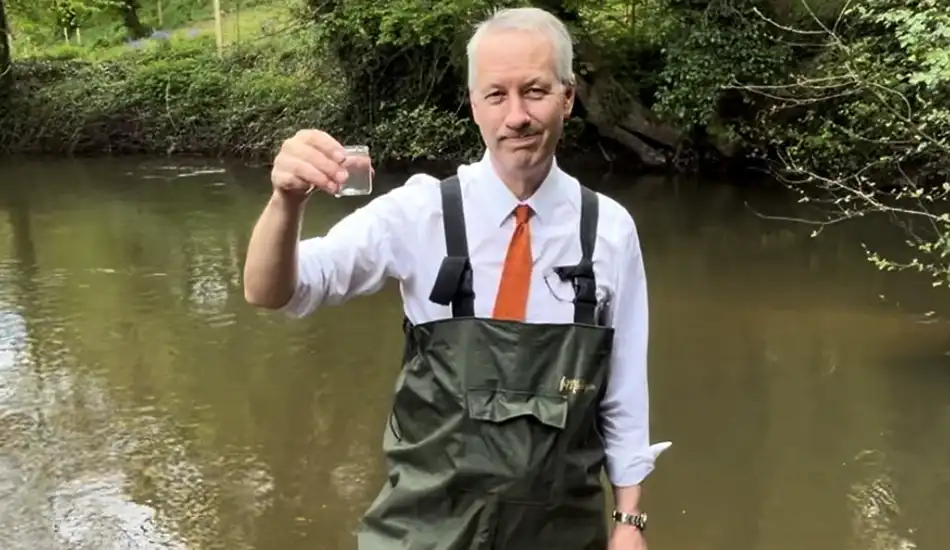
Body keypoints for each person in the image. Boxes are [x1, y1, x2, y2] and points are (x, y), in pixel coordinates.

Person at [243, 6, 670, 549]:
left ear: (567, 97)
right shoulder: (419, 213)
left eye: (535, 91)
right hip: (421, 534)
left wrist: (629, 520)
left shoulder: (609, 230)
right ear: (474, 106)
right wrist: (285, 201)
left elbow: (625, 391)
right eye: (497, 95)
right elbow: (273, 291)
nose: (516, 115)